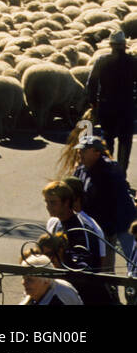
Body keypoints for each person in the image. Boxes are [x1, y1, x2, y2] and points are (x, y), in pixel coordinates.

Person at [73, 135, 137, 282]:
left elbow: (111, 203)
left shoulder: (108, 170)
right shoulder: (82, 169)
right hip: (99, 226)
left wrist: (106, 232)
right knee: (104, 269)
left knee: (132, 264)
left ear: (96, 153)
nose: (80, 153)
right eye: (80, 150)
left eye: (84, 150)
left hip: (121, 224)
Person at [41, 179, 112, 306]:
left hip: (87, 294)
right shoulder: (54, 223)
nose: (48, 207)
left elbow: (87, 267)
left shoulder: (83, 228)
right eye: (46, 202)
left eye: (53, 202)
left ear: (66, 202)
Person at [86, 31, 136, 172]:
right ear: (125, 45)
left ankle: (108, 171)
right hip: (127, 106)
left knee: (107, 139)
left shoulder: (102, 60)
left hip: (107, 105)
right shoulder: (133, 62)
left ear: (110, 45)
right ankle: (121, 173)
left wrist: (93, 103)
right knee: (125, 141)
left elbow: (91, 83)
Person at [19, 255, 83, 305]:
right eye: (24, 278)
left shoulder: (59, 298)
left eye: (30, 280)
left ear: (46, 281)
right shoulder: (35, 291)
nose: (23, 283)